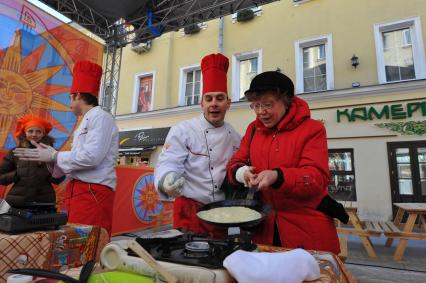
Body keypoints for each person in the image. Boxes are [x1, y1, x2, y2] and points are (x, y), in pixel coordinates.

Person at [226, 71, 340, 254]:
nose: (261, 112)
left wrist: (278, 176)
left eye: (267, 105)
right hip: (264, 228)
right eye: (255, 106)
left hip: (306, 228)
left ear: (286, 101)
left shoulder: (312, 129)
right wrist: (242, 173)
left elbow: (317, 178)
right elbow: (235, 163)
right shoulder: (253, 129)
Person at [14, 61, 119, 235]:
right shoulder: (86, 120)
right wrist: (47, 159)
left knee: (89, 242)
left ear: (77, 96)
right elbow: (74, 160)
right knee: (73, 241)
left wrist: (54, 156)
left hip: (93, 191)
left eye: (70, 97)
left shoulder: (101, 117)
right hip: (79, 190)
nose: (69, 102)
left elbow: (92, 157)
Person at [154, 53, 241, 236]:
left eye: (220, 98)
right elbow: (168, 162)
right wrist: (168, 178)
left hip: (221, 214)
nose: (214, 104)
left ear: (228, 103)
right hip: (189, 212)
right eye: (208, 99)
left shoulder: (235, 137)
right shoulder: (183, 130)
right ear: (201, 103)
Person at [0, 114, 65, 208]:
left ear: (43, 134)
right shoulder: (15, 153)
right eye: (30, 131)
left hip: (44, 202)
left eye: (38, 131)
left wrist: (51, 165)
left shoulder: (52, 153)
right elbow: (1, 178)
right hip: (17, 202)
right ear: (25, 133)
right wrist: (17, 174)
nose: (34, 134)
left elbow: (58, 180)